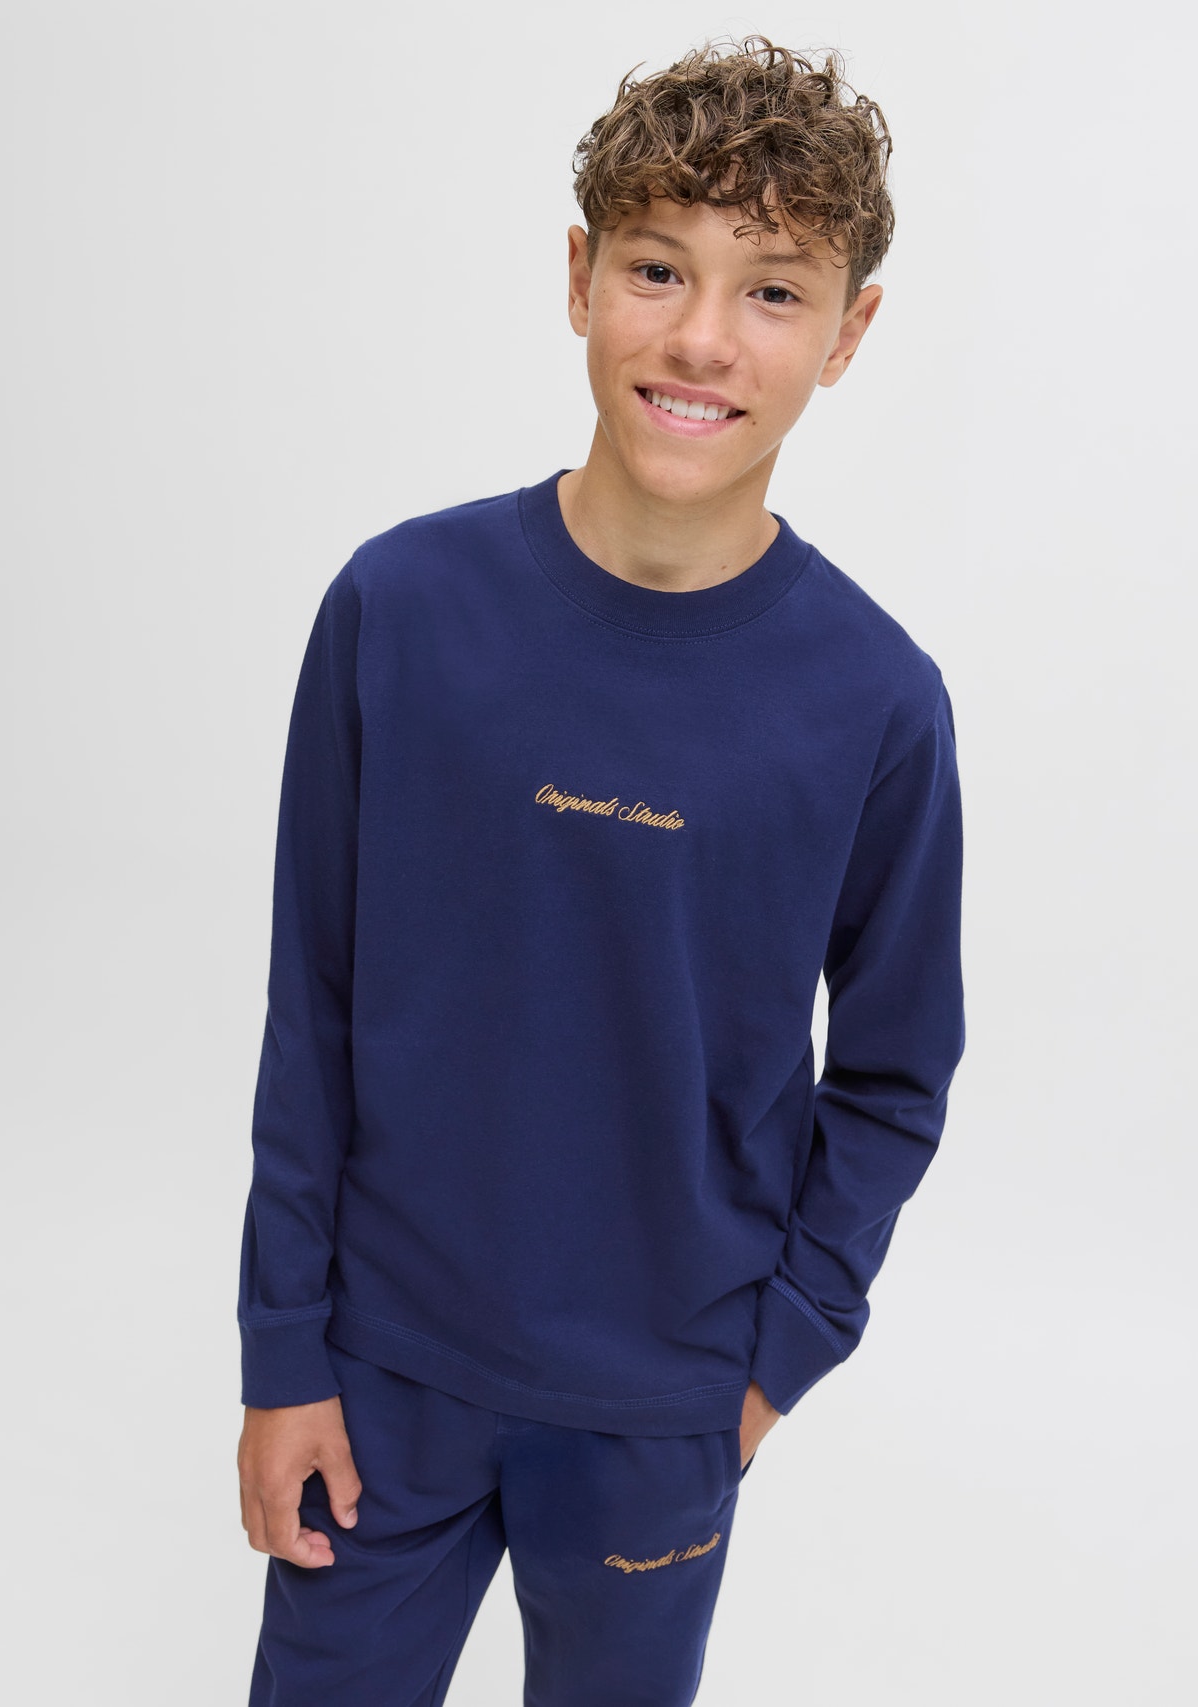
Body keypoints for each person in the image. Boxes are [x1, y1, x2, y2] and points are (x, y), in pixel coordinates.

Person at [235, 32, 966, 1706]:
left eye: (772, 292)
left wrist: (771, 1363)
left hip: (663, 1409)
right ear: (579, 278)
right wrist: (283, 1353)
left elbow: (895, 1075)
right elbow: (312, 1000)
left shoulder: (874, 703)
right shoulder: (399, 612)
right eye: (657, 268)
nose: (703, 338)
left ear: (849, 332)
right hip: (377, 1378)